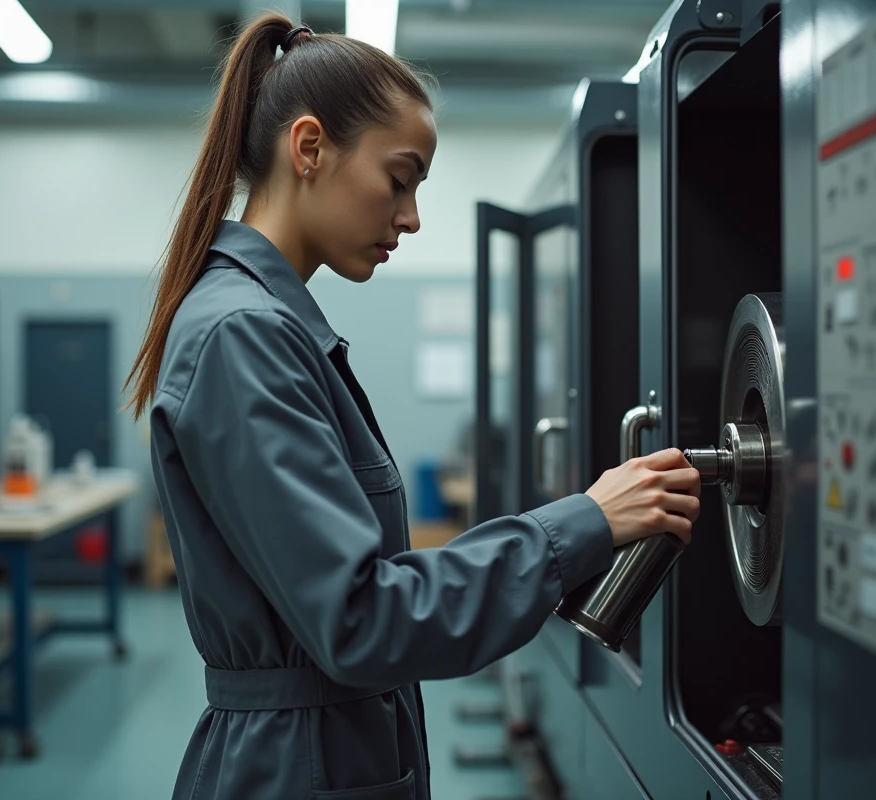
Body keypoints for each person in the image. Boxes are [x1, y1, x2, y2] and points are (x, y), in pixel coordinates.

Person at [124, 13, 701, 800]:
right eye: (400, 179)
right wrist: (585, 522)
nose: (411, 217)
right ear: (309, 148)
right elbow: (360, 617)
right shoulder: (243, 336)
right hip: (297, 767)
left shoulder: (269, 325)